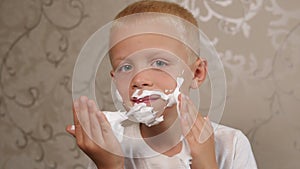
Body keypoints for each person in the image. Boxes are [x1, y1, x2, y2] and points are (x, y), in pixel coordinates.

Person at [66, 1, 258, 169]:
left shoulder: (230, 144)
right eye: (126, 67)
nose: (140, 79)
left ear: (197, 73)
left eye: (159, 63)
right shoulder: (112, 147)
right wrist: (110, 165)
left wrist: (206, 165)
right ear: (114, 80)